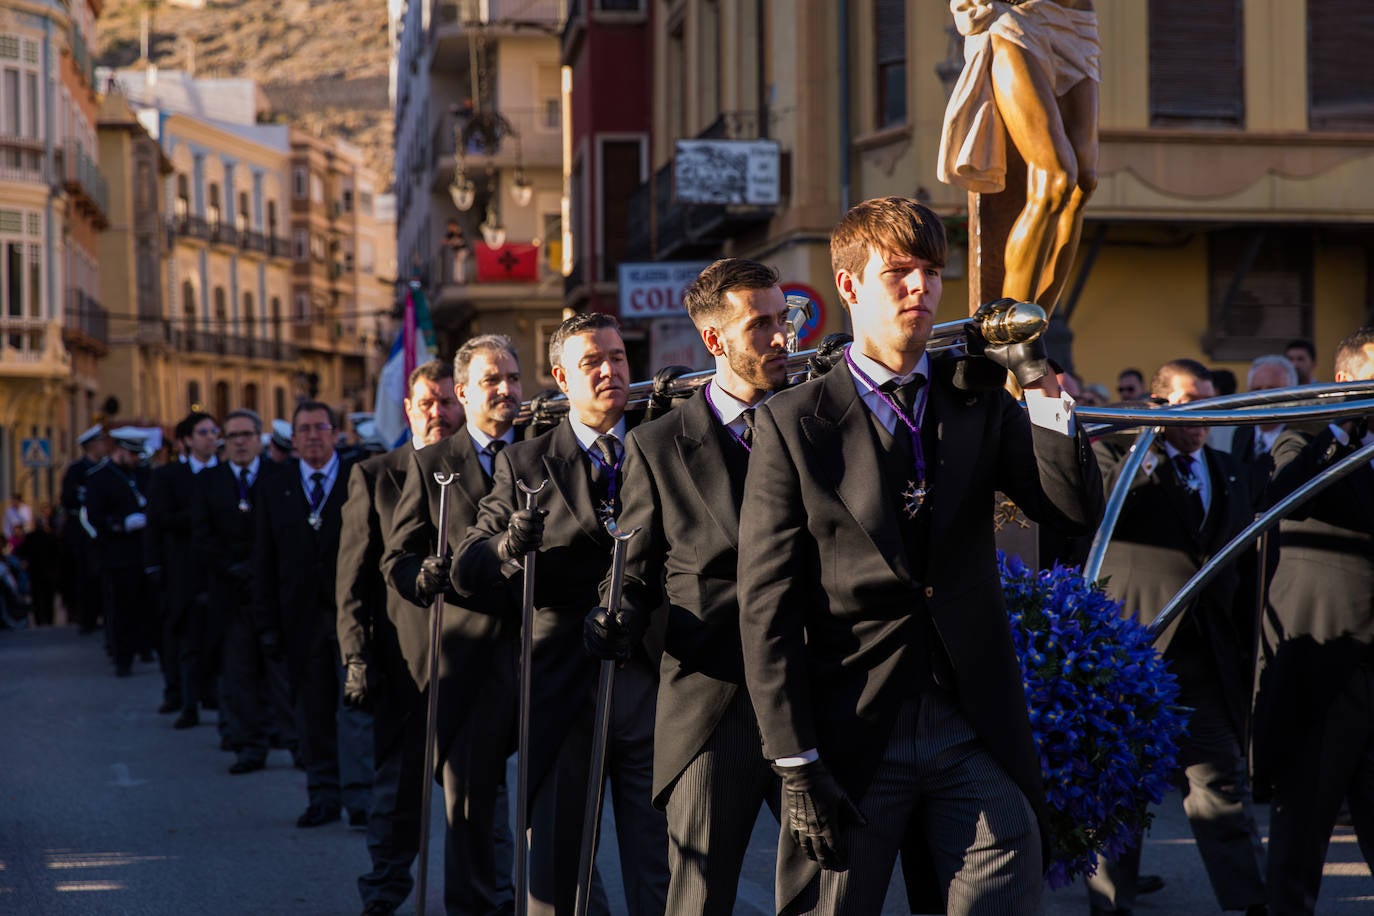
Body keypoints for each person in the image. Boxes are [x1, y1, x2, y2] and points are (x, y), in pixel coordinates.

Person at [737, 196, 1102, 914]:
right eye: (899, 271)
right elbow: (766, 606)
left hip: (968, 723)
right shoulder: (790, 422)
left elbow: (1069, 509)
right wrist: (795, 762)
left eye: (933, 272)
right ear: (848, 287)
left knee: (1007, 881)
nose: (922, 288)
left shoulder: (977, 402)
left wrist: (1034, 375)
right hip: (852, 733)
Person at [455, 313, 669, 916]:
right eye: (591, 363)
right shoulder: (526, 464)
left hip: (652, 681)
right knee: (560, 867)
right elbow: (469, 562)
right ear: (560, 378)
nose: (610, 371)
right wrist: (506, 548)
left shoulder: (663, 438)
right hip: (562, 688)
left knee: (660, 868)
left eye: (619, 357)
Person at [600, 258, 789, 914]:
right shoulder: (656, 445)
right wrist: (616, 618)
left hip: (811, 696)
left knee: (829, 889)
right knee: (698, 897)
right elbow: (634, 572)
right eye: (761, 323)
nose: (780, 336)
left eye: (783, 319)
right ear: (715, 341)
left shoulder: (816, 420)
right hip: (712, 705)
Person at [1089, 359, 1267, 916]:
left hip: (1206, 664)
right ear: (1159, 404)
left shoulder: (1228, 468)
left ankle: (1248, 903)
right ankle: (1111, 904)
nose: (1204, 414)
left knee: (1222, 792)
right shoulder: (1121, 458)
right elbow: (1099, 506)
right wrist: (1144, 441)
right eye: (1191, 401)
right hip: (1136, 658)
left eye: (1211, 401)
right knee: (1122, 795)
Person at [380, 336, 525, 916]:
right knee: (470, 805)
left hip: (543, 652)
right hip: (466, 660)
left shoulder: (545, 448)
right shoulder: (432, 464)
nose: (507, 390)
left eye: (514, 378)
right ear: (464, 392)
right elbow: (398, 558)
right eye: (493, 380)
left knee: (552, 802)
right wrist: (428, 574)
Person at [337, 358, 463, 916]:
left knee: (479, 799)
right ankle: (385, 894)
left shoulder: (486, 468)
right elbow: (353, 580)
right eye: (427, 402)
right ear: (409, 409)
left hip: (475, 665)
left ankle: (486, 895)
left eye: (447, 401)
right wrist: (355, 657)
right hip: (403, 668)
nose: (439, 411)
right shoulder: (375, 475)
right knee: (397, 798)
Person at [1256, 327, 1374, 914]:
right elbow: (1283, 494)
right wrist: (1340, 429)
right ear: (1347, 380)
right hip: (1323, 664)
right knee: (1302, 837)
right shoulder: (1307, 434)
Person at [254, 401, 372, 829]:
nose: (312, 437)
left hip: (354, 619)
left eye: (320, 428)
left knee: (356, 707)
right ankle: (322, 795)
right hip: (300, 621)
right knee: (313, 711)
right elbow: (264, 559)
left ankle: (360, 796)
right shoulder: (275, 485)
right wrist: (266, 625)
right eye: (303, 430)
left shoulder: (360, 478)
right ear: (294, 439)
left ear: (336, 433)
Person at [938, 0, 1099, 311]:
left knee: (1083, 184)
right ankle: (1011, 326)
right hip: (1014, 19)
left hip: (1076, 20)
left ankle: (1036, 326)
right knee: (1056, 179)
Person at [194, 408, 296, 775]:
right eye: (232, 436)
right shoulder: (211, 481)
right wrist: (231, 569)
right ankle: (249, 746)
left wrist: (260, 569)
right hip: (231, 593)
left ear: (259, 439)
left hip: (272, 592)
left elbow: (287, 531)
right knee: (239, 675)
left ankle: (294, 742)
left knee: (282, 672)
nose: (239, 442)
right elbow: (201, 534)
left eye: (246, 435)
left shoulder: (280, 475)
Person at [147, 412, 219, 727]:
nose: (210, 438)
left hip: (219, 571)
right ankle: (186, 701)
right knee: (185, 639)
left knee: (220, 640)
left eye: (214, 432)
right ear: (188, 440)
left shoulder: (227, 475)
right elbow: (158, 522)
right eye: (203, 432)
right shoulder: (168, 477)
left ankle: (216, 697)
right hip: (182, 572)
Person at [82, 428, 154, 677]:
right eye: (132, 454)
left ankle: (145, 647)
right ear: (119, 450)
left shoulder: (144, 474)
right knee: (122, 607)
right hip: (117, 552)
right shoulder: (100, 478)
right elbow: (94, 516)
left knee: (147, 603)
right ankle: (123, 656)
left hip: (145, 550)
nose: (136, 459)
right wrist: (121, 523)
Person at [59, 425, 109, 634]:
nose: (104, 446)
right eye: (100, 443)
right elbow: (69, 499)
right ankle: (85, 616)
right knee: (84, 574)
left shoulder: (107, 468)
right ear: (91, 446)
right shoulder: (76, 470)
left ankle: (103, 614)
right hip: (81, 531)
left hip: (103, 529)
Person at [445, 219, 470, 284]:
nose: (449, 228)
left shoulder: (457, 230)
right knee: (457, 264)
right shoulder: (451, 233)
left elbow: (458, 242)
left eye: (450, 226)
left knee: (459, 264)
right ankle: (458, 279)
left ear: (453, 225)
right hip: (457, 250)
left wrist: (451, 243)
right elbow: (446, 240)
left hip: (461, 250)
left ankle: (460, 279)